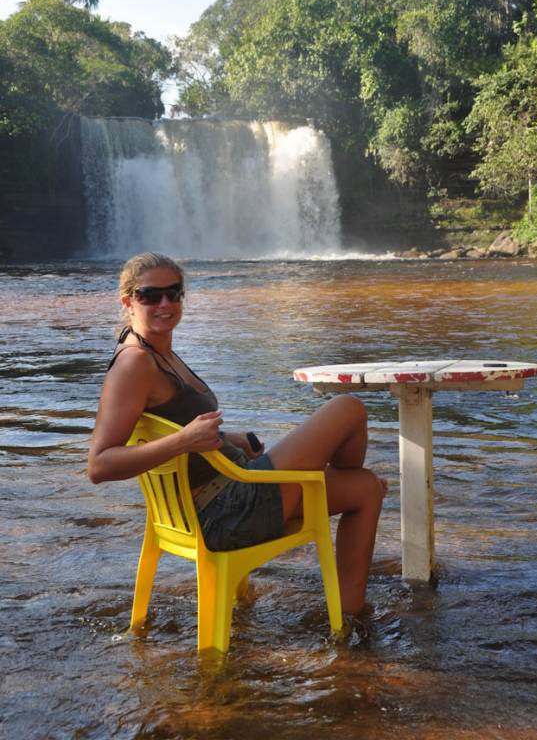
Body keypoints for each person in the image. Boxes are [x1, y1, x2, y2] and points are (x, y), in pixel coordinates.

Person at [88, 252, 386, 615]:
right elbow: (99, 465)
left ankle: (350, 615)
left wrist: (228, 440)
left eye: (174, 292)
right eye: (150, 295)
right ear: (128, 301)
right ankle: (334, 483)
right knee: (348, 408)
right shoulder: (135, 363)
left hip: (227, 491)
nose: (165, 303)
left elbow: (177, 429)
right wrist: (184, 441)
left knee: (366, 488)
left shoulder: (159, 352)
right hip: (223, 513)